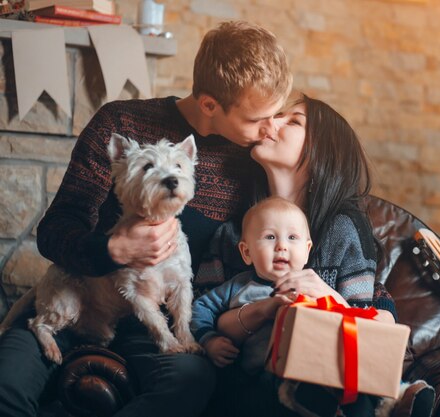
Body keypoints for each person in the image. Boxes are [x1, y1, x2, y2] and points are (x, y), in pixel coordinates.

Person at [0, 20, 292, 417]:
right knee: (7, 380)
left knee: (192, 381)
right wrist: (112, 249)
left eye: (276, 115)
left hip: (157, 328)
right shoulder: (120, 124)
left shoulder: (250, 161)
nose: (271, 129)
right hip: (82, 298)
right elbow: (53, 232)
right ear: (209, 105)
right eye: (260, 118)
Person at [197, 93, 424, 417]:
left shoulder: (343, 226)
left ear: (321, 150)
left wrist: (328, 295)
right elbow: (201, 317)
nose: (270, 123)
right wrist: (261, 311)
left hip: (330, 373)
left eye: (291, 121)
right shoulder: (232, 233)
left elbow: (371, 320)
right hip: (245, 381)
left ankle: (396, 399)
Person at [192, 197, 314, 373]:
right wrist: (209, 340)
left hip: (299, 375)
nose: (282, 246)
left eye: (292, 237)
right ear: (247, 252)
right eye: (270, 237)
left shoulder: (310, 287)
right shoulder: (239, 285)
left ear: (306, 251)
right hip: (247, 377)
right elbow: (200, 306)